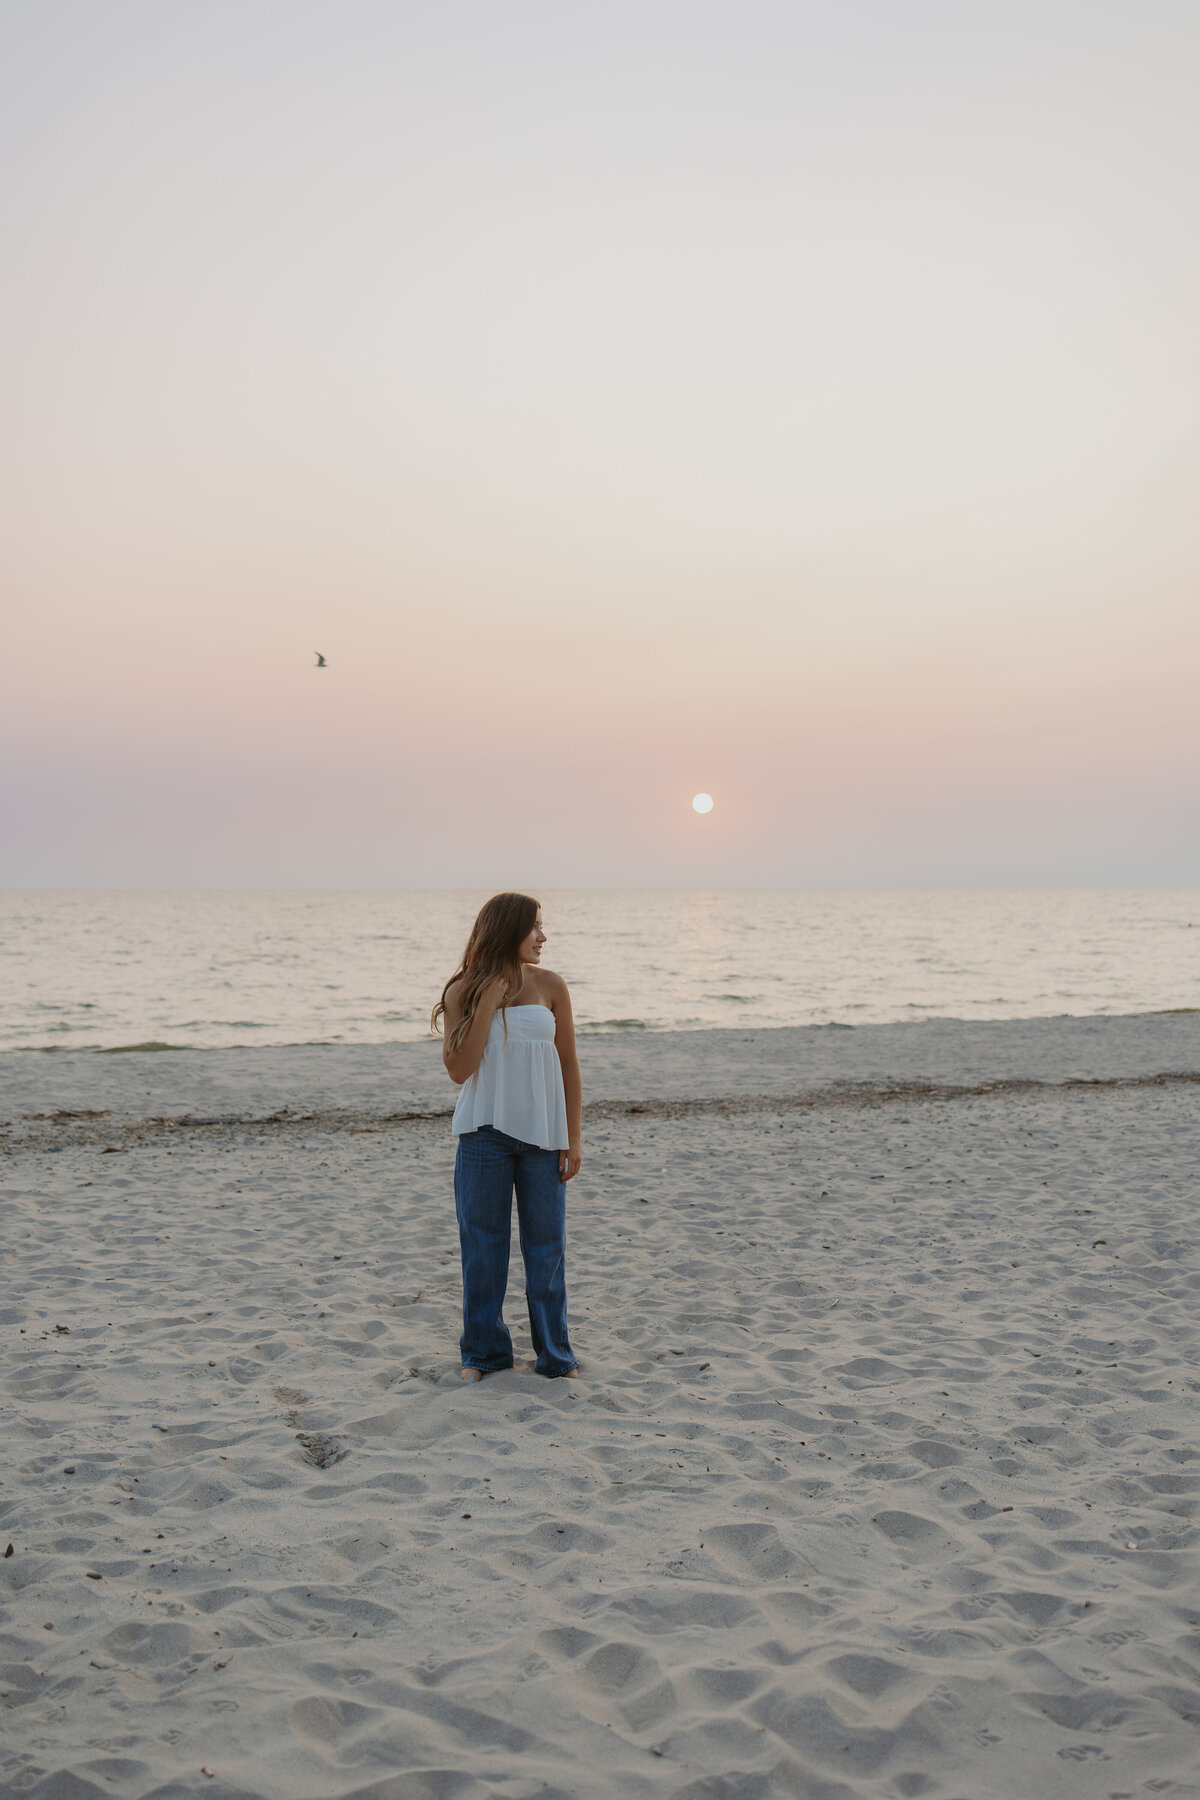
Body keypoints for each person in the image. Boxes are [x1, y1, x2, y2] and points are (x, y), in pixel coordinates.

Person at [432, 893, 582, 1380]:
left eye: (543, 927)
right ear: (506, 930)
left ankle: (555, 1356)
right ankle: (484, 1353)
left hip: (543, 1134)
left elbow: (567, 1064)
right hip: (483, 1135)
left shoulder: (551, 985)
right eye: (534, 927)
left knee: (546, 1248)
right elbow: (459, 1070)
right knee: (482, 1247)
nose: (543, 936)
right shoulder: (462, 991)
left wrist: (573, 1138)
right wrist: (487, 1005)